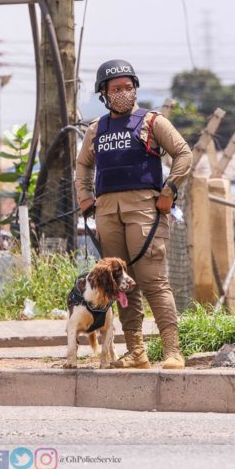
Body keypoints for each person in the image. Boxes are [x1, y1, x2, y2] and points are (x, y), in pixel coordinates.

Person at [75, 59, 193, 369]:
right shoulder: (97, 128)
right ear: (104, 93)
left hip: (145, 212)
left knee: (153, 281)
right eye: (116, 89)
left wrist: (169, 191)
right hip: (107, 212)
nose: (123, 93)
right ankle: (136, 351)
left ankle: (172, 350)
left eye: (128, 87)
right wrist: (85, 196)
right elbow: (83, 164)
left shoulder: (153, 122)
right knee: (120, 285)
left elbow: (184, 154)